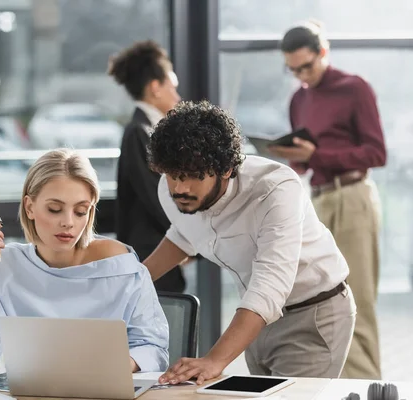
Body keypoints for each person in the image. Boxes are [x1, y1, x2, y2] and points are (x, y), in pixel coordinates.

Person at [143, 100, 355, 383]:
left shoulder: (276, 190)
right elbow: (184, 234)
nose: (180, 187)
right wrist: (136, 280)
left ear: (227, 169)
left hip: (313, 315)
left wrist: (214, 359)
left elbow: (270, 284)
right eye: (173, 176)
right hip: (255, 320)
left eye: (194, 176)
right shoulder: (170, 191)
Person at [0, 149, 169, 372]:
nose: (68, 222)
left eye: (80, 211)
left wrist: (116, 367)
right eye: (55, 209)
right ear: (29, 207)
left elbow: (153, 348)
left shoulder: (122, 267)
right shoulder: (2, 268)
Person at [269, 21, 386, 379]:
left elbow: (376, 153)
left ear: (323, 52)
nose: (302, 75)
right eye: (293, 70)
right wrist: (296, 155)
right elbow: (306, 161)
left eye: (306, 66)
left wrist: (317, 155)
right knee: (328, 297)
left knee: (358, 301)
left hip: (352, 197)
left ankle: (368, 387)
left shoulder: (354, 89)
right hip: (317, 201)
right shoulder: (299, 98)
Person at [107, 40, 185, 293]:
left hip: (156, 250)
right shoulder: (139, 133)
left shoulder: (147, 130)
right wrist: (188, 236)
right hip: (150, 253)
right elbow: (158, 196)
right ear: (155, 87)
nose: (178, 96)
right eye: (173, 86)